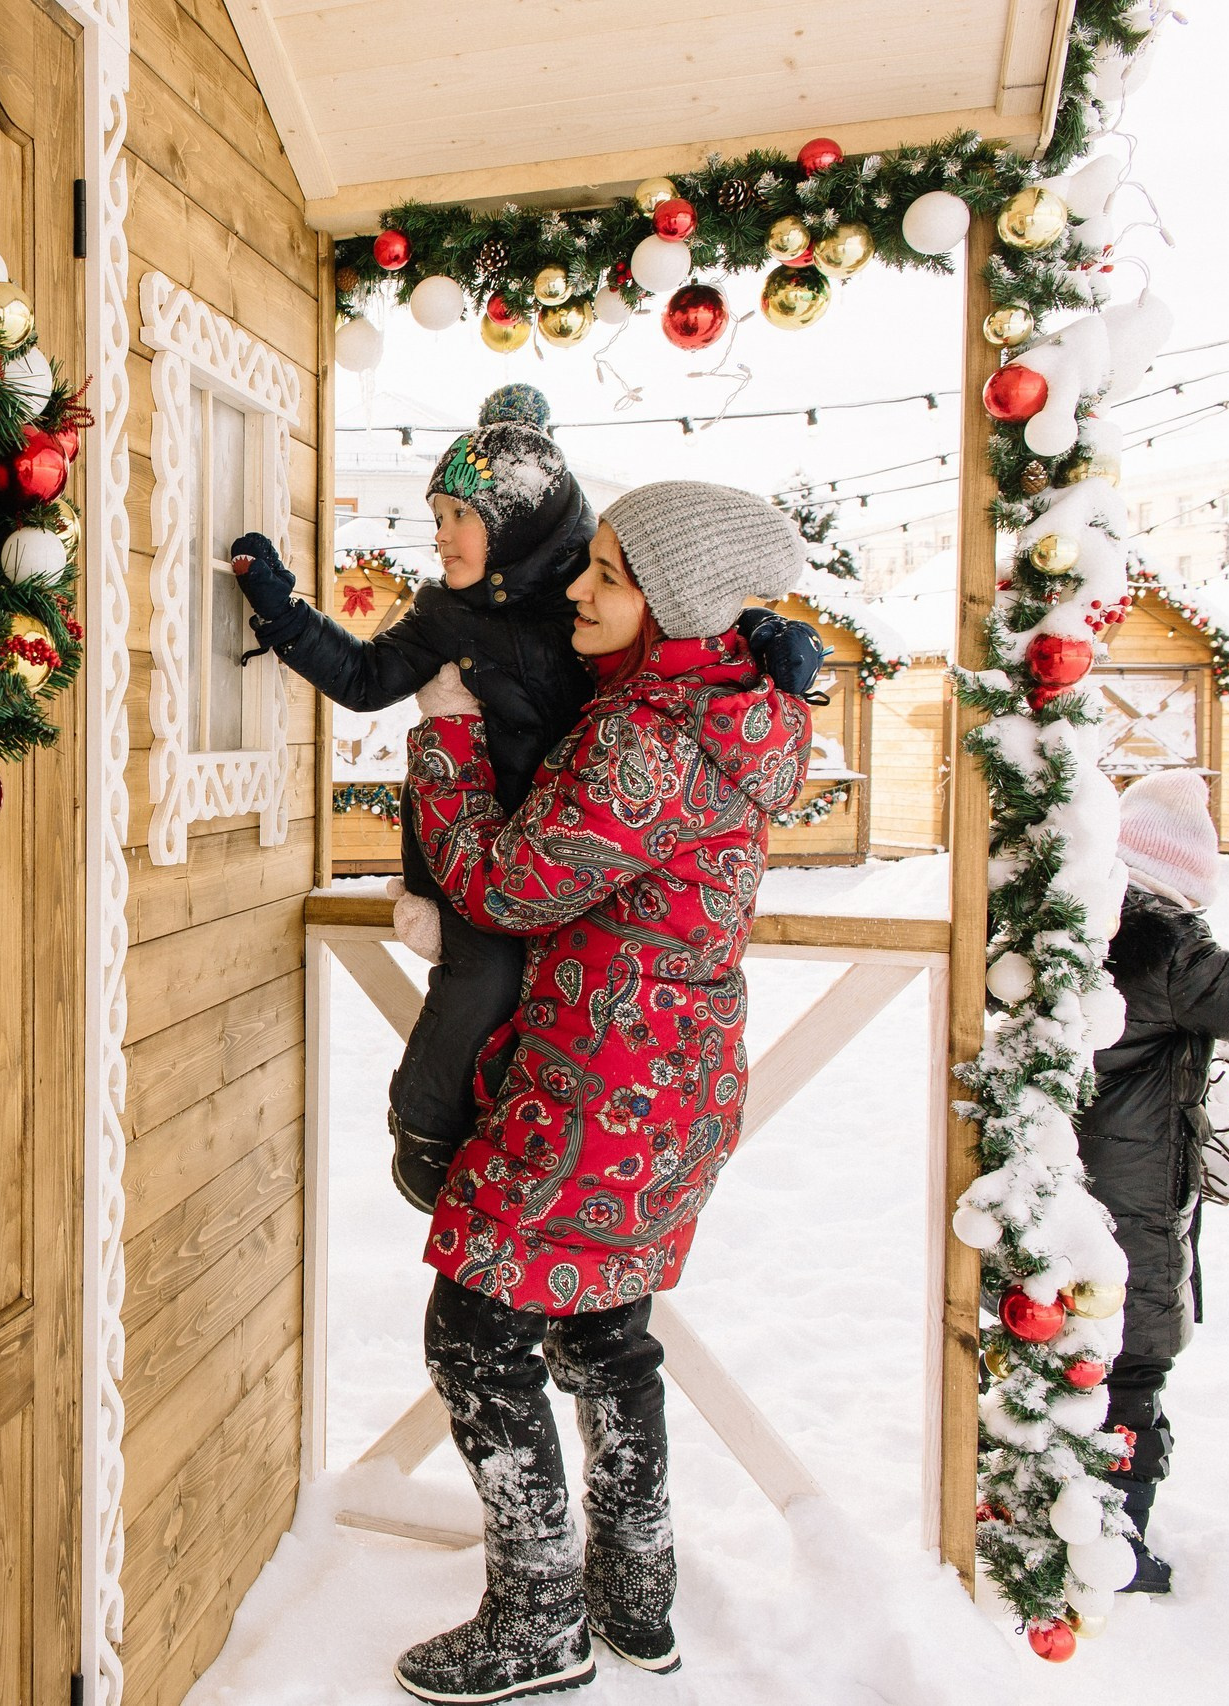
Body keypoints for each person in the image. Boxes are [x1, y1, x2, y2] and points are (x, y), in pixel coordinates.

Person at [389, 483, 814, 1702]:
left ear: (669, 606)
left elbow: (508, 884)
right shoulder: (728, 711)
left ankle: (535, 1617)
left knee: (474, 1334)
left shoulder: (652, 740)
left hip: (601, 1080)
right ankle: (636, 1590)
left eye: (610, 572)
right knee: (602, 1320)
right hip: (674, 1080)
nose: (578, 584)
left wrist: (447, 734)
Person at [229, 384, 598, 1212]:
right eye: (435, 516)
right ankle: (424, 1125)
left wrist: (756, 638)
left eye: (454, 516)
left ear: (512, 519)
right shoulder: (446, 612)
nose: (437, 536)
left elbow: (676, 623)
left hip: (573, 853)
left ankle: (537, 1174)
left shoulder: (594, 589)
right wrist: (288, 620)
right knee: (484, 972)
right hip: (474, 856)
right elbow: (366, 678)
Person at [1081, 766, 1229, 1593]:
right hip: (1131, 1190)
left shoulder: (1082, 924)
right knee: (1135, 1362)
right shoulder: (1169, 945)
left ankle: (1058, 1518)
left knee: (1073, 1352)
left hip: (1069, 1176)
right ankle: (1113, 1543)